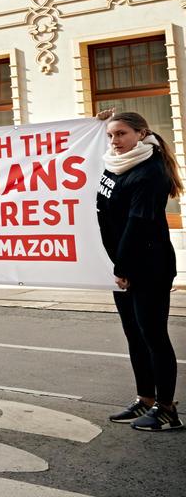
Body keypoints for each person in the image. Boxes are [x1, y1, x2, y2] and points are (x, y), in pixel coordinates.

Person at [96, 109, 182, 431]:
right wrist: (97, 124)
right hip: (123, 265)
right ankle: (145, 399)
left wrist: (122, 266)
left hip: (147, 266)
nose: (115, 141)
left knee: (154, 337)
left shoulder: (149, 172)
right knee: (134, 336)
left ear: (141, 134)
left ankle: (167, 409)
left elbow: (138, 224)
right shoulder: (115, 163)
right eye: (111, 135)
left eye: (121, 134)